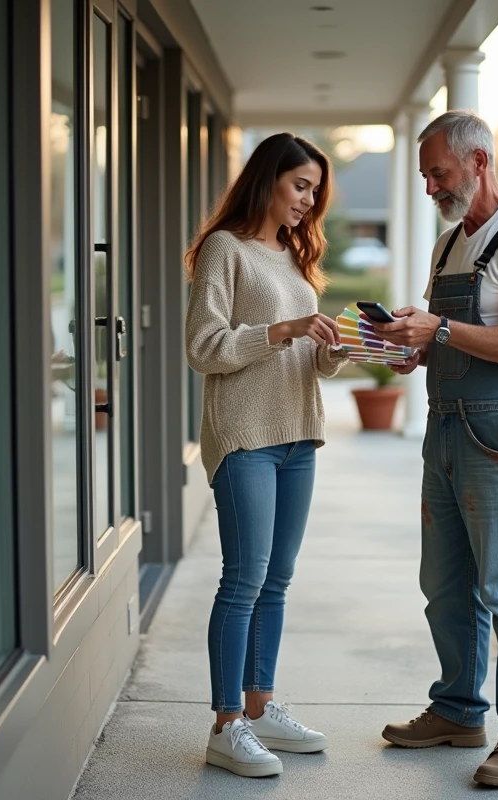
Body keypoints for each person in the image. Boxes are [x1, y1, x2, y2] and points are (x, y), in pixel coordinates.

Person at [372, 111, 498, 789]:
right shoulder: (449, 242)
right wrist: (413, 345)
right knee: (445, 584)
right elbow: (445, 335)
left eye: (440, 172)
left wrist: (443, 332)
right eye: (426, 174)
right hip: (447, 426)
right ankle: (458, 709)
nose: (430, 186)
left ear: (479, 161)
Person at [184, 132, 351, 778]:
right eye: (300, 185)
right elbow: (204, 347)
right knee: (244, 579)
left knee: (276, 582)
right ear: (267, 181)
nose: (309, 201)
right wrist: (280, 330)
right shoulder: (225, 250)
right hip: (245, 438)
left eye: (315, 191)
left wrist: (336, 347)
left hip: (296, 437)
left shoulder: (291, 255)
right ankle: (226, 723)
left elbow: (306, 358)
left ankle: (260, 708)